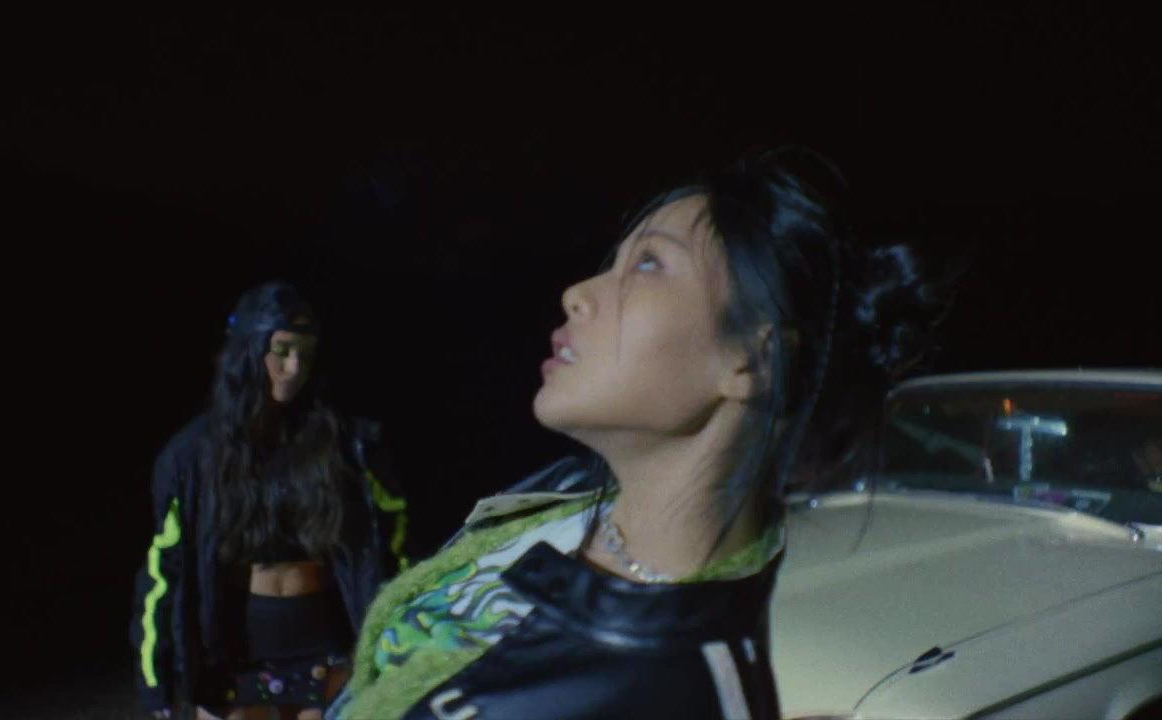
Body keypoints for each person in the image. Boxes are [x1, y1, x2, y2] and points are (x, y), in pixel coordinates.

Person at [326, 145, 945, 720]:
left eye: (648, 263)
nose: (577, 294)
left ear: (753, 361)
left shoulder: (674, 692)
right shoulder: (564, 498)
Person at [130, 280, 410, 720]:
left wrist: (406, 639)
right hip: (235, 653)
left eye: (305, 353)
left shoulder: (348, 443)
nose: (293, 367)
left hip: (325, 648)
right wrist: (155, 677)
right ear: (248, 350)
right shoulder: (193, 455)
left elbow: (395, 545)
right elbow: (165, 570)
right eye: (281, 350)